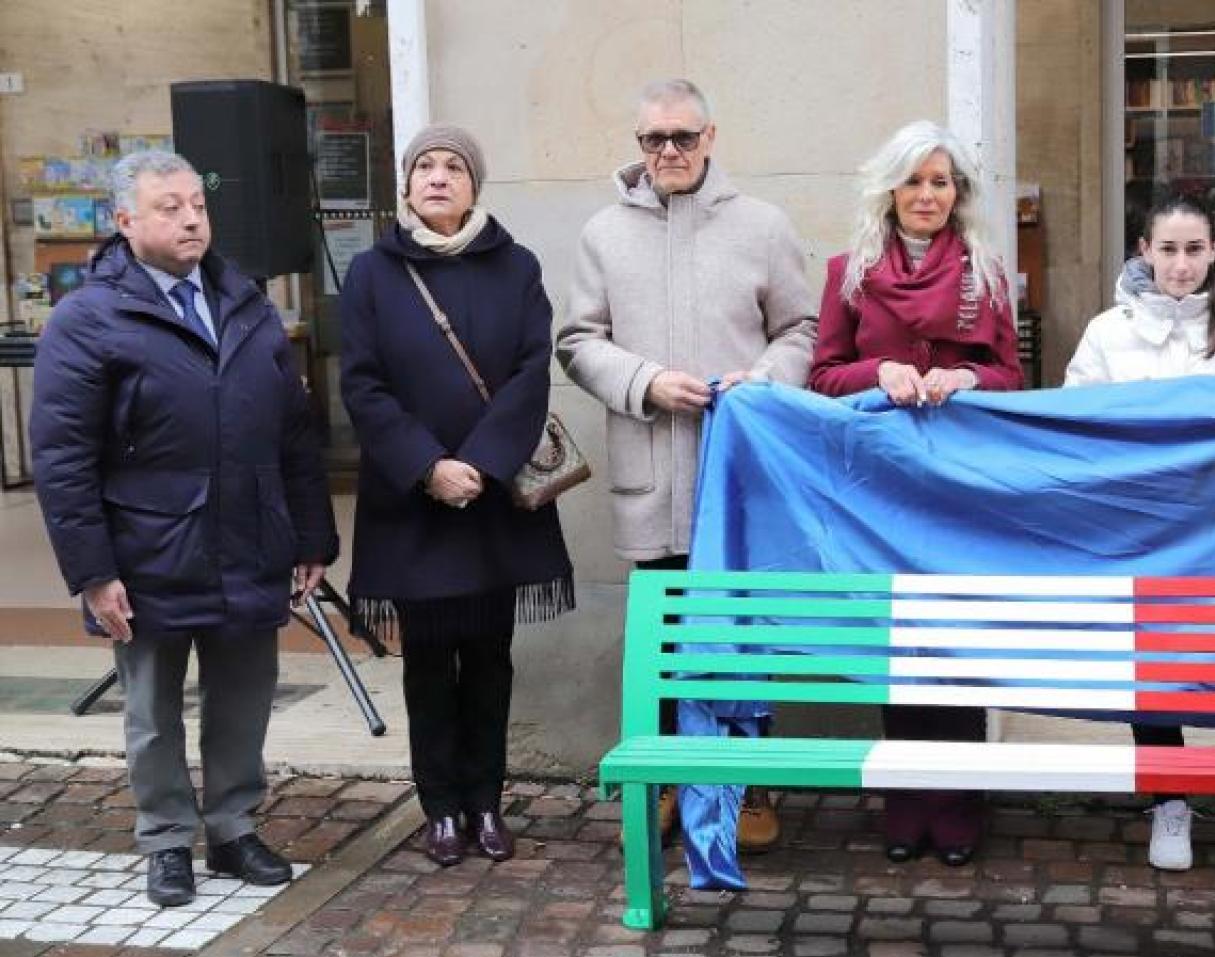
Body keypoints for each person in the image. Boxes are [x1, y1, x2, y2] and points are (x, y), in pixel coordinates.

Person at [31, 150, 337, 906]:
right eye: (168, 207)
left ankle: (233, 826)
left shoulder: (246, 301)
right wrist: (92, 570)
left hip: (249, 539)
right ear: (125, 221)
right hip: (145, 552)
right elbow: (62, 457)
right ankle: (166, 837)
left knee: (243, 697)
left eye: (197, 202)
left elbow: (294, 431)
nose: (191, 217)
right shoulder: (87, 318)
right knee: (152, 711)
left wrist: (311, 535)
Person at [557, 80, 816, 851]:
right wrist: (645, 382)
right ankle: (673, 776)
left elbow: (800, 330)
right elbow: (577, 340)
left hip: (738, 477)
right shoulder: (605, 232)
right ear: (637, 145)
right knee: (666, 638)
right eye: (652, 140)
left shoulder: (763, 226)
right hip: (654, 473)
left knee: (744, 632)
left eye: (682, 136)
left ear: (710, 137)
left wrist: (760, 380)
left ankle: (746, 782)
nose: (667, 151)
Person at [340, 125, 575, 868]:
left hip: (493, 499)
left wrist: (478, 462)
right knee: (426, 664)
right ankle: (439, 807)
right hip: (412, 506)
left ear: (476, 184)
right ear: (407, 184)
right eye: (424, 167)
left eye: (453, 167)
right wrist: (427, 465)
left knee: (489, 659)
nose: (438, 178)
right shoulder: (372, 274)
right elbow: (362, 385)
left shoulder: (517, 267)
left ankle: (485, 800)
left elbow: (533, 374)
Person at [1064, 194, 1215, 874]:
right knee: (1155, 669)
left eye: (1194, 249)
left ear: (1213, 252)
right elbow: (1081, 423)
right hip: (1144, 532)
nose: (1180, 263)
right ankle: (1169, 798)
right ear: (1144, 249)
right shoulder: (1108, 333)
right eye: (1167, 249)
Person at [808, 120, 1023, 867]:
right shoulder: (848, 273)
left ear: (957, 192)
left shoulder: (987, 274)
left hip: (962, 482)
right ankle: (907, 804)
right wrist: (881, 373)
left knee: (958, 641)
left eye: (940, 181)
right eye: (914, 180)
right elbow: (823, 374)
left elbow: (1011, 377)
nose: (926, 194)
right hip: (883, 485)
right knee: (899, 641)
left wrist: (965, 377)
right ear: (890, 189)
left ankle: (959, 806)